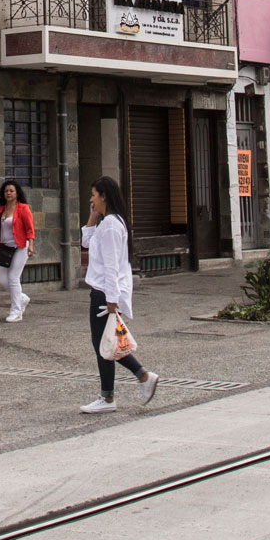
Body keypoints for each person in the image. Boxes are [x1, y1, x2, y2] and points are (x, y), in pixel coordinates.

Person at [79, 176, 157, 414]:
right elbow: (86, 243)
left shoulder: (112, 225)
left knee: (104, 343)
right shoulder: (107, 223)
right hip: (103, 290)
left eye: (93, 194)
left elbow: (112, 265)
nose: (91, 199)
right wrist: (92, 218)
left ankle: (116, 392)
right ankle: (136, 380)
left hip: (105, 292)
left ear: (103, 196)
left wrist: (112, 299)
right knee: (105, 343)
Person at [0, 179, 36, 323]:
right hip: (4, 248)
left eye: (11, 191)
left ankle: (16, 311)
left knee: (13, 277)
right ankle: (21, 298)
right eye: (6, 191)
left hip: (20, 247)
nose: (9, 193)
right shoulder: (1, 209)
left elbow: (29, 229)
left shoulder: (23, 208)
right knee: (2, 279)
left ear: (17, 193)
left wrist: (30, 245)